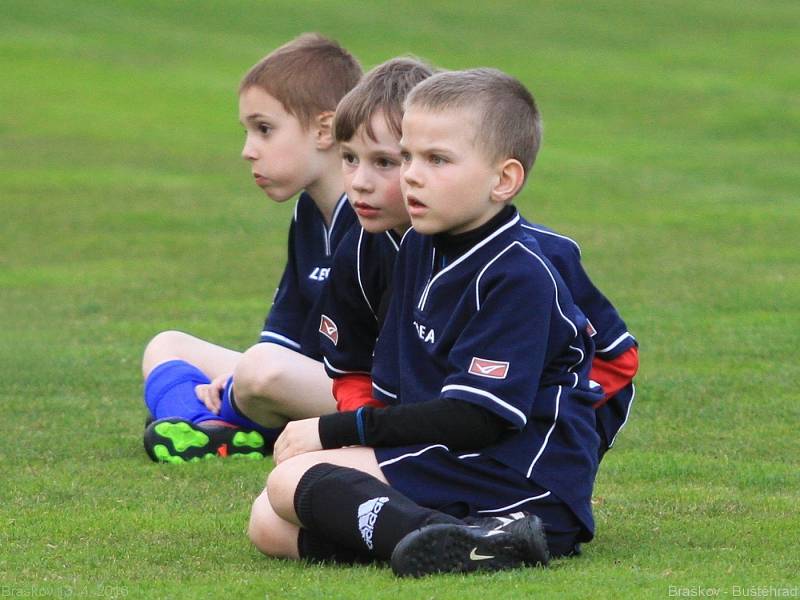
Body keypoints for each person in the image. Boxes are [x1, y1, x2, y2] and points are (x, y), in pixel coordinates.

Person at [248, 68, 604, 577]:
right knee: (268, 524)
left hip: (517, 479)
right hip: (455, 460)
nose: (412, 174)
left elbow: (476, 417)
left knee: (290, 483)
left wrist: (337, 429)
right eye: (409, 156)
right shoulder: (417, 247)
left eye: (437, 160)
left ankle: (465, 535)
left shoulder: (518, 273)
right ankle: (467, 542)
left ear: (503, 180)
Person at [140, 33, 362, 462]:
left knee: (262, 372)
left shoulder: (371, 219)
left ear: (324, 129)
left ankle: (206, 420)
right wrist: (241, 374)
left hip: (362, 394)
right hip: (302, 378)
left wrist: (246, 376)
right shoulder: (308, 213)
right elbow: (284, 328)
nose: (248, 152)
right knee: (166, 345)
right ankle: (211, 426)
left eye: (264, 129)